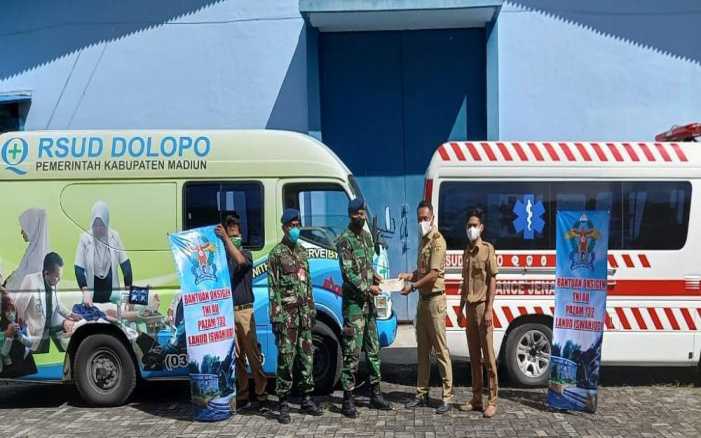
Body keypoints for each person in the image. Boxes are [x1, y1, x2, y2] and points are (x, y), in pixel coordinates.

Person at [336, 198, 391, 418]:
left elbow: (366, 266)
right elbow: (348, 274)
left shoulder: (367, 238)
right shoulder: (344, 241)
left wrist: (375, 276)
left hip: (369, 306)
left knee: (374, 348)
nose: (363, 217)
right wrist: (369, 288)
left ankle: (375, 393)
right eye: (358, 214)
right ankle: (347, 399)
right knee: (352, 352)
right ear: (351, 215)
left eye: (364, 213)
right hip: (354, 307)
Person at [268, 208, 322, 424]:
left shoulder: (302, 252)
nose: (295, 229)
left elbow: (307, 284)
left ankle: (307, 399)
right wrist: (277, 317)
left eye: (298, 225)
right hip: (287, 318)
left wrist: (311, 309)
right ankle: (282, 402)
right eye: (291, 225)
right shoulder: (276, 254)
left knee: (307, 357)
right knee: (286, 360)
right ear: (284, 227)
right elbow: (273, 289)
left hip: (304, 315)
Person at [399, 200, 453, 414]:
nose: (422, 222)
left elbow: (432, 275)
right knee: (422, 351)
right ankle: (421, 394)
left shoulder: (438, 242)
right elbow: (422, 272)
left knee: (441, 351)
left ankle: (447, 397)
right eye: (419, 219)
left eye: (425, 219)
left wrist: (412, 286)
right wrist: (408, 276)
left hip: (435, 301)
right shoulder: (423, 241)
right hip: (423, 302)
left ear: (433, 219)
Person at [214, 212, 267, 411]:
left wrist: (227, 239)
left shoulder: (246, 254)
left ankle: (261, 394)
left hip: (245, 312)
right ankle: (243, 395)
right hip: (228, 311)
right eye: (230, 234)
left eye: (236, 235)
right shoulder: (222, 259)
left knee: (253, 354)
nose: (234, 238)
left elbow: (240, 261)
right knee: (236, 357)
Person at [458, 208, 499, 418]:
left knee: (488, 356)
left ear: (481, 228)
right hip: (470, 308)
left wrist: (490, 309)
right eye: (468, 225)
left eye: (474, 225)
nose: (471, 228)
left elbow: (493, 278)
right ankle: (476, 398)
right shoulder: (466, 252)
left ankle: (492, 400)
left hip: (483, 308)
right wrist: (460, 308)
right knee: (474, 357)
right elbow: (465, 283)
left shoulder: (487, 250)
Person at [14, 253, 81, 354]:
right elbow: (19, 306)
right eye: (57, 276)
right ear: (46, 273)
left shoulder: (53, 284)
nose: (59, 279)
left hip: (46, 334)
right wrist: (21, 327)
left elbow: (58, 305)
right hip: (32, 334)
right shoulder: (30, 280)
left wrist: (71, 314)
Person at [74, 201, 133, 306]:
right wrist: (85, 291)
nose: (98, 228)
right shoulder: (84, 238)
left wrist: (129, 291)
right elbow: (78, 267)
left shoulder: (114, 236)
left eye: (101, 225)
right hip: (92, 294)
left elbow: (125, 264)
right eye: (95, 225)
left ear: (107, 222)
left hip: (111, 294)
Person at [4, 208, 49, 293]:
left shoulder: (37, 259)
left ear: (32, 228)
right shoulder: (35, 250)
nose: (21, 232)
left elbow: (23, 286)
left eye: (24, 228)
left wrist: (6, 284)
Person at [0, 289, 37, 377]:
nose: (11, 314)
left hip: (23, 362)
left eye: (12, 310)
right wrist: (9, 337)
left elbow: (30, 343)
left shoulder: (21, 324)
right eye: (7, 311)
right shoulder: (2, 327)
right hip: (10, 365)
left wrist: (20, 336)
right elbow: (4, 353)